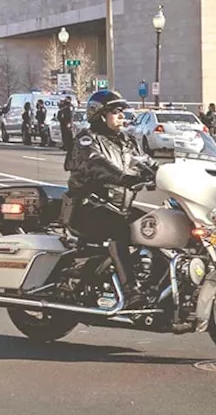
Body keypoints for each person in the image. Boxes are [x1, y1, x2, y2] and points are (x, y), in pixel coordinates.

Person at [65, 89, 157, 306]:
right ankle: (130, 290)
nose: (122, 116)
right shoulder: (87, 141)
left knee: (156, 226)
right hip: (88, 208)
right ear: (99, 114)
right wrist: (124, 178)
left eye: (122, 111)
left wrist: (166, 173)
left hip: (119, 208)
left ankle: (154, 285)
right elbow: (96, 164)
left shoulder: (126, 142)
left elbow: (146, 161)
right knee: (118, 229)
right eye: (116, 111)